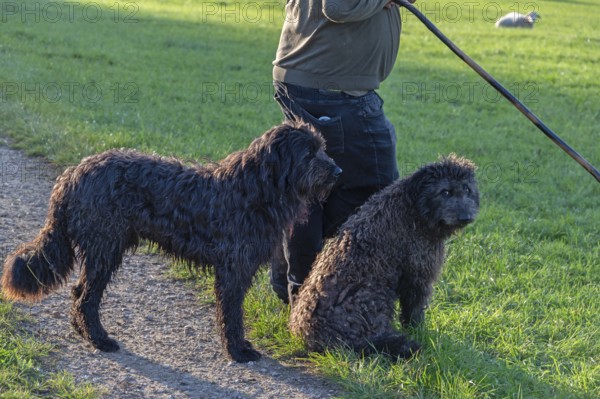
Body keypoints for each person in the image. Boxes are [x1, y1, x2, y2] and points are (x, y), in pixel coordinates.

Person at [270, 0, 414, 304]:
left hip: (318, 80)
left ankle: (297, 285)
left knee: (312, 187)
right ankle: (314, 297)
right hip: (331, 89)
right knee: (374, 191)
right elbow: (337, 6)